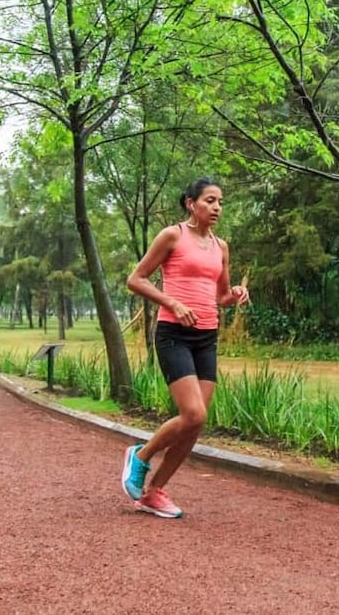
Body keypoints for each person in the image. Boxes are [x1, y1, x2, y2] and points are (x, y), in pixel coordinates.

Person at [121, 178, 250, 518]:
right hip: (173, 333)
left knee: (196, 424)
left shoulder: (221, 247)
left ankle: (153, 492)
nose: (217, 207)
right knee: (193, 413)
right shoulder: (172, 235)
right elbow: (136, 279)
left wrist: (234, 293)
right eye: (210, 200)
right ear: (191, 203)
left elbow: (219, 296)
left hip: (206, 336)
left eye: (220, 201)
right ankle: (141, 456)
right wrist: (173, 303)